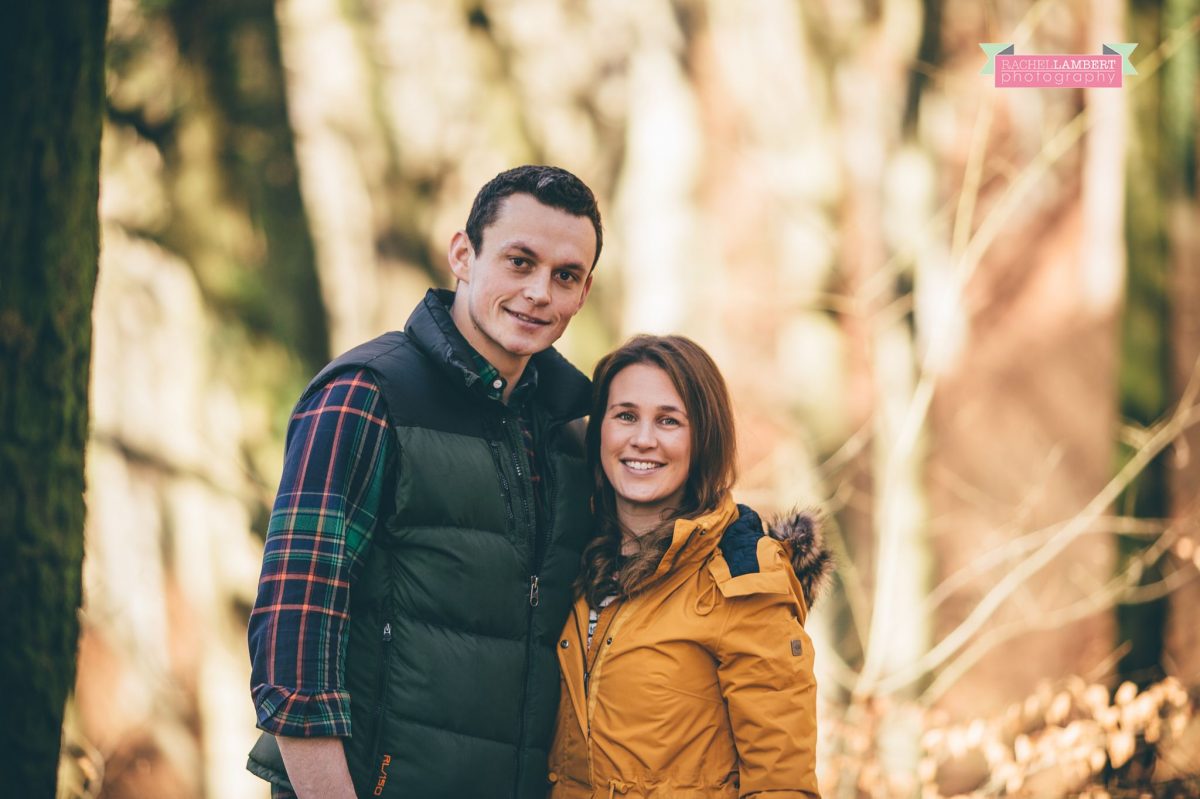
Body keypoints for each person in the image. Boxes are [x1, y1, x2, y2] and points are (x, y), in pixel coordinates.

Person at [245, 165, 604, 799]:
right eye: (520, 262)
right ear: (463, 255)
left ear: (584, 291)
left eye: (565, 275)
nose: (540, 292)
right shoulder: (365, 396)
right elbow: (295, 632)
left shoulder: (569, 427)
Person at [547, 335, 830, 799]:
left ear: (704, 437)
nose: (643, 439)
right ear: (599, 430)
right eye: (625, 416)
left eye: (668, 421)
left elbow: (781, 784)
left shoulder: (744, 582)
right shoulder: (572, 561)